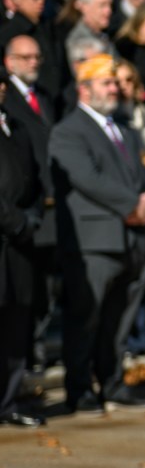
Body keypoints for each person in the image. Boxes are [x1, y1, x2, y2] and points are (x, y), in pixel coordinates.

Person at [49, 55, 145, 414]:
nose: (114, 88)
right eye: (106, 83)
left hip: (133, 239)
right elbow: (87, 178)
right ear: (84, 89)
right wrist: (133, 204)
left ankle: (112, 382)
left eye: (115, 82)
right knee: (87, 317)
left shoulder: (126, 130)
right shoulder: (68, 131)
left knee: (120, 319)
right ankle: (80, 388)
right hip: (96, 241)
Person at [3, 35, 58, 371]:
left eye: (37, 56)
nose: (34, 62)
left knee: (40, 293)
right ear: (9, 63)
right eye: (25, 57)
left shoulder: (43, 99)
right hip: (12, 222)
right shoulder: (9, 105)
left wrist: (37, 208)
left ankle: (29, 356)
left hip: (40, 211)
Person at [0, 66, 44, 426]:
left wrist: (31, 218)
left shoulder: (16, 128)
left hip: (19, 245)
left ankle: (8, 400)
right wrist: (14, 221)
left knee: (16, 322)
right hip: (7, 232)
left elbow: (34, 179)